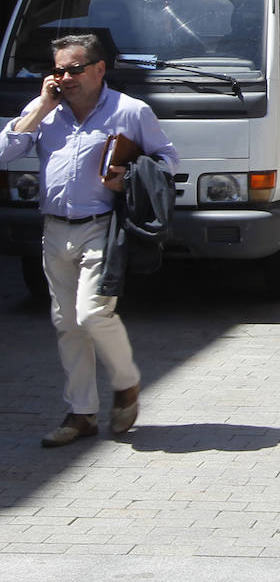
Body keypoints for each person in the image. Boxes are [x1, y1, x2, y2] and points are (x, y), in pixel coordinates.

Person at [0, 34, 178, 447]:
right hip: (53, 227)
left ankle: (128, 383)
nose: (65, 78)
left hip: (101, 225)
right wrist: (42, 106)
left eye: (74, 70)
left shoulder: (130, 111)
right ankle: (81, 413)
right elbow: (4, 151)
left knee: (91, 314)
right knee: (66, 324)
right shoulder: (45, 110)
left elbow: (168, 160)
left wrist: (128, 177)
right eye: (59, 70)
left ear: (99, 70)